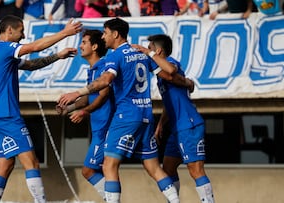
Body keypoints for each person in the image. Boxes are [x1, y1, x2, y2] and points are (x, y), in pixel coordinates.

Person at [57, 17, 185, 203]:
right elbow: (169, 74)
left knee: (109, 165)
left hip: (126, 116)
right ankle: (175, 201)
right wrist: (187, 83)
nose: (103, 37)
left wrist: (77, 93)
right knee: (153, 167)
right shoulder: (141, 53)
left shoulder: (114, 56)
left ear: (115, 34)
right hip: (146, 116)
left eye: (106, 33)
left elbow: (106, 81)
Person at [0, 15, 82, 203]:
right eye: (21, 31)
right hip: (7, 115)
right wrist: (65, 33)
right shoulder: (6, 48)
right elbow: (35, 47)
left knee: (5, 165)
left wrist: (57, 56)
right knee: (32, 162)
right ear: (9, 31)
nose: (23, 35)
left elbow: (30, 65)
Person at [135, 34, 215, 203]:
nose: (147, 51)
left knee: (195, 169)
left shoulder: (171, 63)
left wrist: (147, 53)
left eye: (149, 48)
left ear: (158, 51)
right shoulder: (160, 74)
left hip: (189, 124)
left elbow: (171, 71)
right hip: (176, 127)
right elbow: (170, 102)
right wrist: (160, 126)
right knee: (168, 168)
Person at [56, 29, 114, 201]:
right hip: (99, 129)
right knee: (106, 169)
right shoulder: (93, 69)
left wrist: (84, 112)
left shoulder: (104, 68)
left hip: (105, 128)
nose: (80, 46)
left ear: (94, 46)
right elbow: (89, 97)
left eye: (84, 42)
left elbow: (103, 96)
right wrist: (69, 108)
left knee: (89, 170)